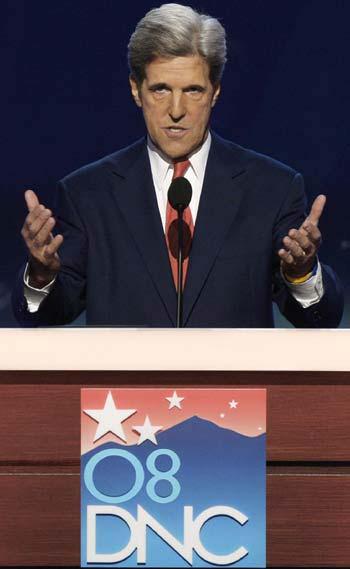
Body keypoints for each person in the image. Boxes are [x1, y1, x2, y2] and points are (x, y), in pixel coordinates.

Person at [12, 3, 343, 327]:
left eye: (193, 90)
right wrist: (41, 276)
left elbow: (318, 319)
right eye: (160, 89)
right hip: (124, 381)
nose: (176, 110)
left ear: (215, 92)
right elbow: (50, 313)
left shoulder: (272, 188)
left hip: (233, 381)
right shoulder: (87, 193)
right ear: (135, 90)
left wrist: (301, 273)